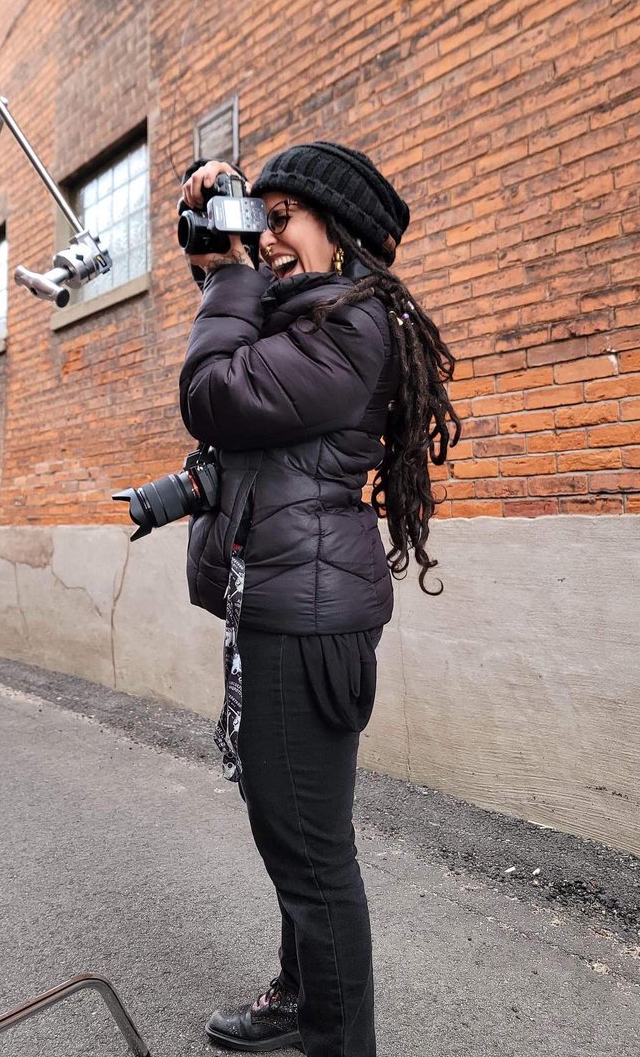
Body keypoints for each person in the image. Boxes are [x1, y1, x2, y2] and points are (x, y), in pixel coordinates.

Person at [178, 142, 461, 1057]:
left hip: (305, 622)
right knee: (296, 835)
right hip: (287, 607)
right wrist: (216, 251)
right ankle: (302, 995)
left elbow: (213, 394)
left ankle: (339, 1040)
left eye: (282, 218)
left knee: (312, 854)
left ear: (340, 233)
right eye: (257, 221)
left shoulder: (351, 329)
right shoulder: (311, 319)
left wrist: (227, 280)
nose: (267, 239)